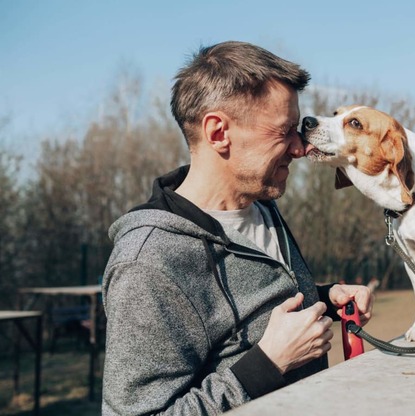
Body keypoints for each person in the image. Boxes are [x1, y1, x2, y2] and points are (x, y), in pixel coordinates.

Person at [101, 41, 373, 415]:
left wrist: (323, 299)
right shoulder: (148, 264)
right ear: (218, 132)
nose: (300, 148)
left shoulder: (261, 205)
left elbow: (249, 321)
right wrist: (266, 365)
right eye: (284, 131)